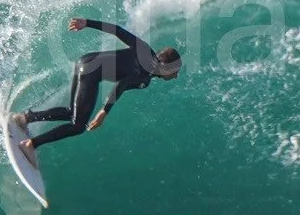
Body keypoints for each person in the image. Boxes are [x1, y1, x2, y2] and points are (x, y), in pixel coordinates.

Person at [19, 18, 180, 155]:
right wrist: (104, 111)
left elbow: (117, 30)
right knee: (78, 126)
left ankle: (26, 118)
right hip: (90, 73)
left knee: (72, 113)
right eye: (174, 71)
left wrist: (86, 23)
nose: (175, 76)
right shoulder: (144, 78)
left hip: (85, 61)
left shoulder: (144, 49)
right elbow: (122, 84)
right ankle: (30, 144)